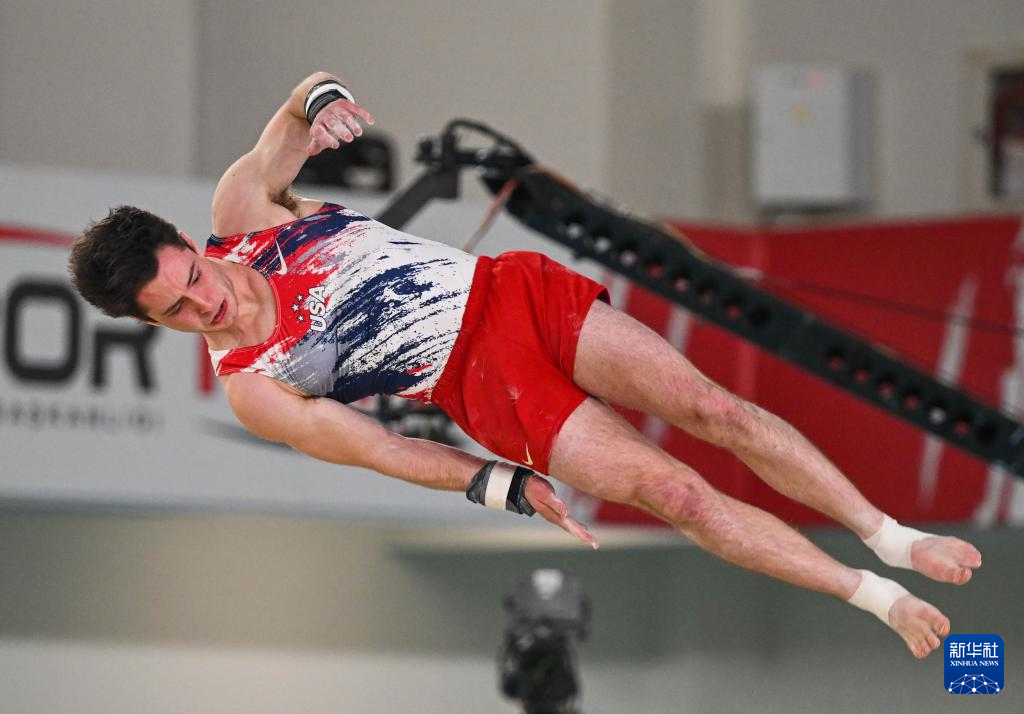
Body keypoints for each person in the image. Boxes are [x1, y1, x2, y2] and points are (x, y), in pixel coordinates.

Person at [69, 72, 981, 659]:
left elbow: (296, 104)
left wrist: (324, 103)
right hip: (478, 387)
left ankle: (892, 537)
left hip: (514, 295)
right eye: (176, 313)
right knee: (678, 495)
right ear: (151, 322)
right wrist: (496, 485)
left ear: (188, 243)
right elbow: (383, 450)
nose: (205, 306)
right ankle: (876, 597)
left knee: (717, 411)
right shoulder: (254, 388)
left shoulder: (245, 211)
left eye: (192, 280)